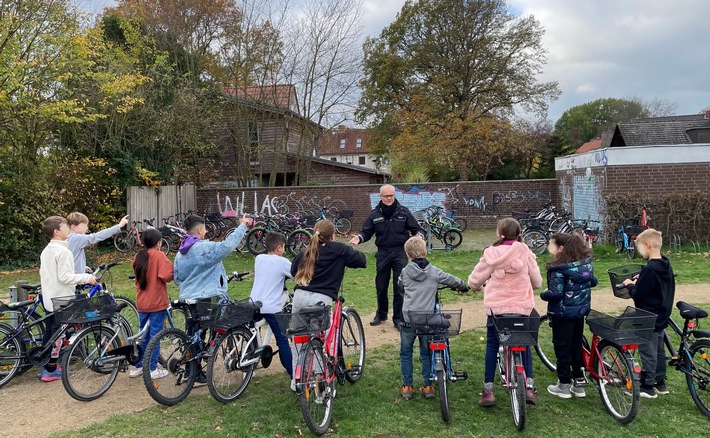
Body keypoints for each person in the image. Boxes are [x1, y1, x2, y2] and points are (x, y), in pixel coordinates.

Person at [468, 218, 543, 406]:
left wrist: (474, 286)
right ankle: (529, 387)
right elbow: (537, 282)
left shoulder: (491, 254)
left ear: (499, 234)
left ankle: (488, 390)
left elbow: (475, 279)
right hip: (522, 308)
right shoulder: (525, 252)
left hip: (497, 310)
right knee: (524, 343)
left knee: (493, 344)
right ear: (519, 234)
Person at [174, 213, 252, 384]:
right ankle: (214, 354)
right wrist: (243, 226)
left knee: (193, 334)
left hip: (187, 298)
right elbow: (227, 246)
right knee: (219, 323)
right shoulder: (204, 248)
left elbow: (177, 278)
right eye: (205, 229)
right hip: (206, 297)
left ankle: (191, 370)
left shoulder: (180, 253)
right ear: (200, 230)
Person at [291, 220, 367, 380]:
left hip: (299, 297)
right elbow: (361, 261)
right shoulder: (340, 250)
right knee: (322, 341)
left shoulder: (305, 251)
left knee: (298, 340)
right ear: (333, 235)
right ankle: (320, 382)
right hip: (321, 300)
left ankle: (297, 381)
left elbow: (293, 270)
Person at [398, 237, 468, 400]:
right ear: (425, 252)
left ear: (407, 254)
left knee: (406, 352)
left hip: (408, 319)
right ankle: (428, 385)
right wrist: (463, 285)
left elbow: (400, 284)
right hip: (427, 320)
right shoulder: (434, 271)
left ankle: (407, 386)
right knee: (425, 352)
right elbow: (452, 280)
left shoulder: (405, 272)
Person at [350, 184, 424, 327]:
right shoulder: (375, 214)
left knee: (399, 286)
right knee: (381, 285)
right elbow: (366, 231)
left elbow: (416, 228)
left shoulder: (403, 212)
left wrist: (419, 235)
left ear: (394, 195)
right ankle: (381, 314)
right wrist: (359, 238)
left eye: (391, 195)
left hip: (400, 253)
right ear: (381, 197)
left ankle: (398, 318)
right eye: (386, 196)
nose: (389, 198)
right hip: (383, 253)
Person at [39, 216, 97, 382]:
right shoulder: (63, 251)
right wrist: (86, 278)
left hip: (49, 298)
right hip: (62, 299)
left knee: (49, 333)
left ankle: (44, 364)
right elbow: (64, 277)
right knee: (58, 335)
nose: (69, 230)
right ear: (57, 231)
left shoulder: (48, 250)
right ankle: (50, 369)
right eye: (65, 227)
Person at [540, 233, 597, 399]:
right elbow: (593, 282)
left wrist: (544, 294)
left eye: (551, 244)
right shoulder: (585, 266)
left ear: (561, 248)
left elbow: (555, 294)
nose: (549, 247)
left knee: (562, 347)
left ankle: (563, 384)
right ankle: (579, 383)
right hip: (579, 313)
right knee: (576, 346)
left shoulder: (558, 269)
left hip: (562, 314)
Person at [623, 228, 675, 398]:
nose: (639, 252)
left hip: (647, 316)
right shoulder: (665, 264)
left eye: (639, 248)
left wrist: (630, 284)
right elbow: (652, 285)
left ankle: (648, 385)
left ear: (647, 245)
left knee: (647, 350)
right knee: (659, 349)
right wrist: (641, 280)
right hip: (662, 314)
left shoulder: (650, 269)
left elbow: (638, 295)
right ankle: (660, 382)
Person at [128, 228, 174, 380]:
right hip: (157, 303)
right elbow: (166, 275)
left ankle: (138, 365)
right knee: (155, 336)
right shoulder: (159, 256)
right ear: (159, 243)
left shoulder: (138, 256)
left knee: (143, 335)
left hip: (142, 303)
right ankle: (153, 368)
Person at [250, 232, 294, 380]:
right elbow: (296, 274)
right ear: (280, 247)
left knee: (252, 331)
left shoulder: (259, 258)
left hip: (254, 304)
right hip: (271, 307)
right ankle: (293, 375)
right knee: (282, 341)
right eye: (284, 248)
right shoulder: (282, 262)